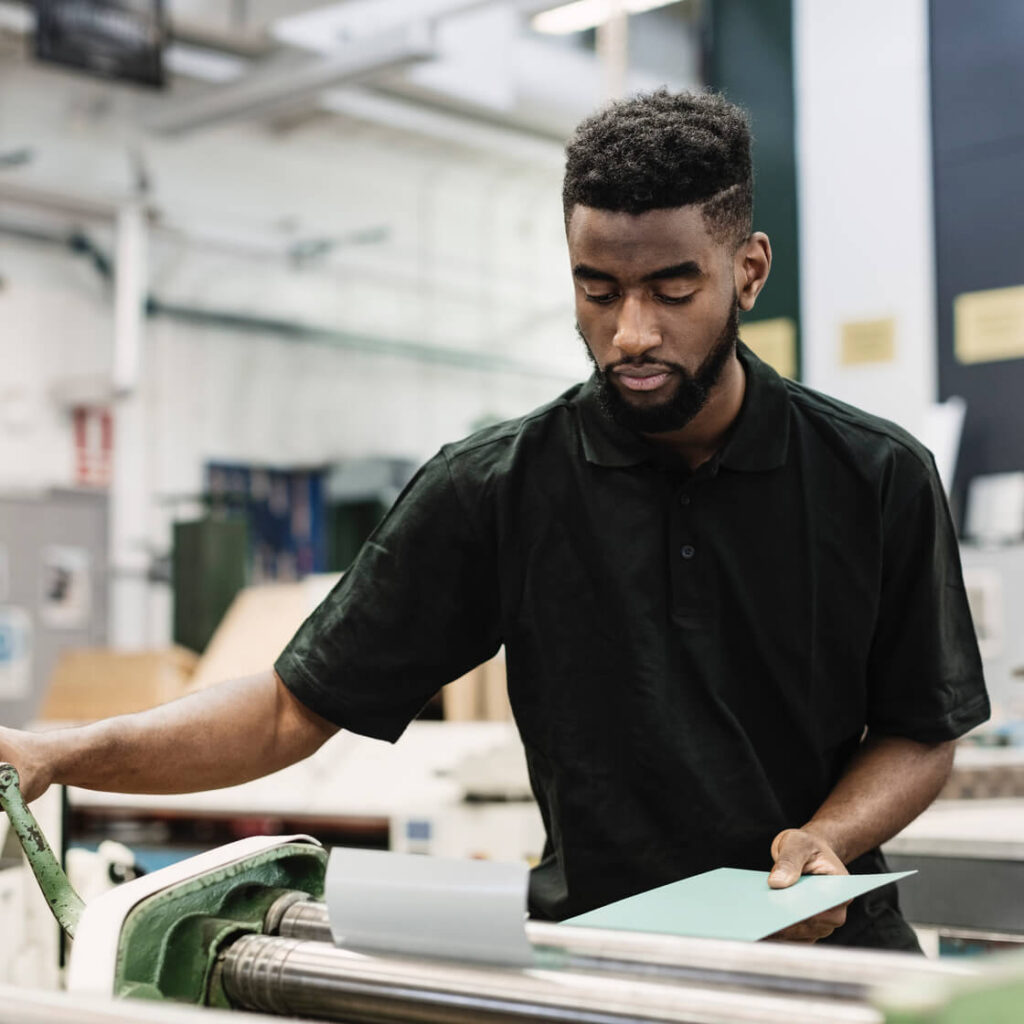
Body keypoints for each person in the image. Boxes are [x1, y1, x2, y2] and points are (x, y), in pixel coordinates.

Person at [0, 90, 987, 950]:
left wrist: (827, 842)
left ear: (748, 270)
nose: (630, 332)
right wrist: (60, 752)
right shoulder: (498, 488)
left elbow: (918, 726)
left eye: (671, 288)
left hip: (830, 949)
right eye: (596, 292)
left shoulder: (874, 474)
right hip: (603, 950)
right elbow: (288, 706)